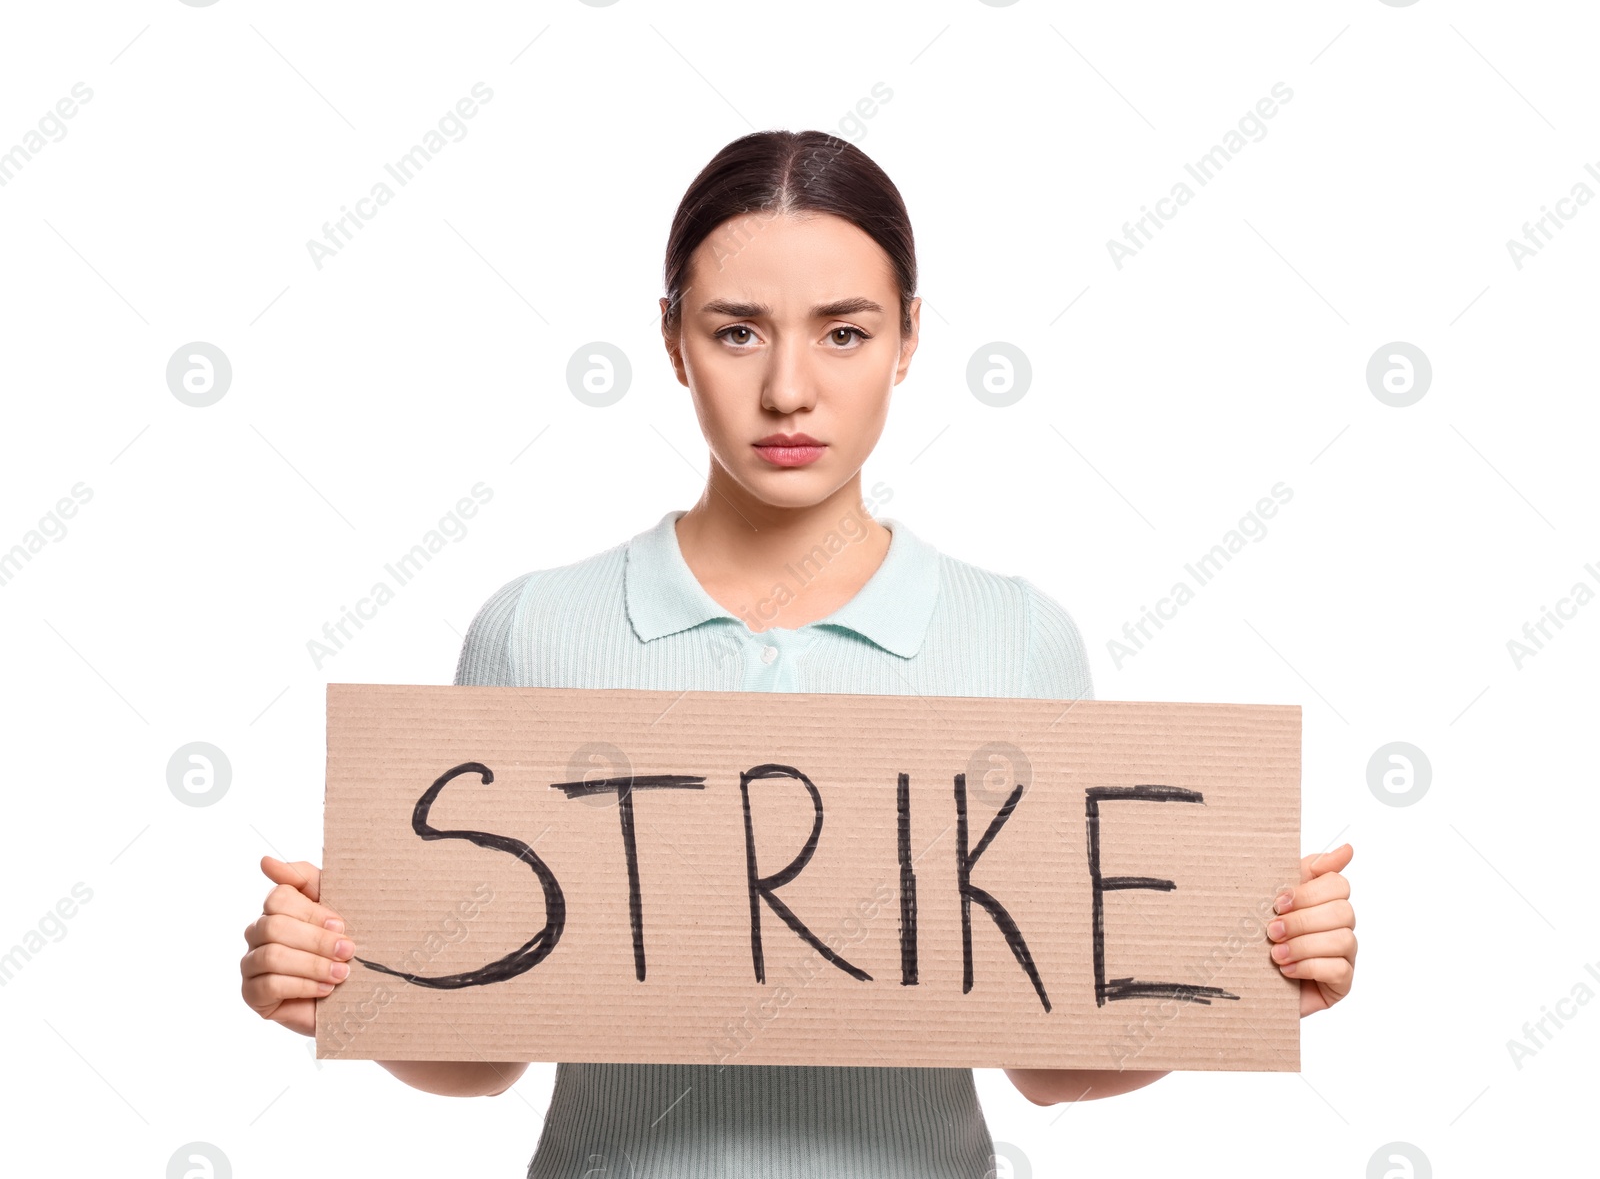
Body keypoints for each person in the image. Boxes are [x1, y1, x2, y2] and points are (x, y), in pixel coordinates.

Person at [240, 129, 1358, 1177]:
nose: (787, 388)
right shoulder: (537, 627)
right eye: (736, 329)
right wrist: (349, 981)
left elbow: (1051, 1057)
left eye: (843, 330)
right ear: (673, 339)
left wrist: (1241, 971)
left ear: (908, 337)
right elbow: (480, 1050)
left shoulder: (1014, 638)